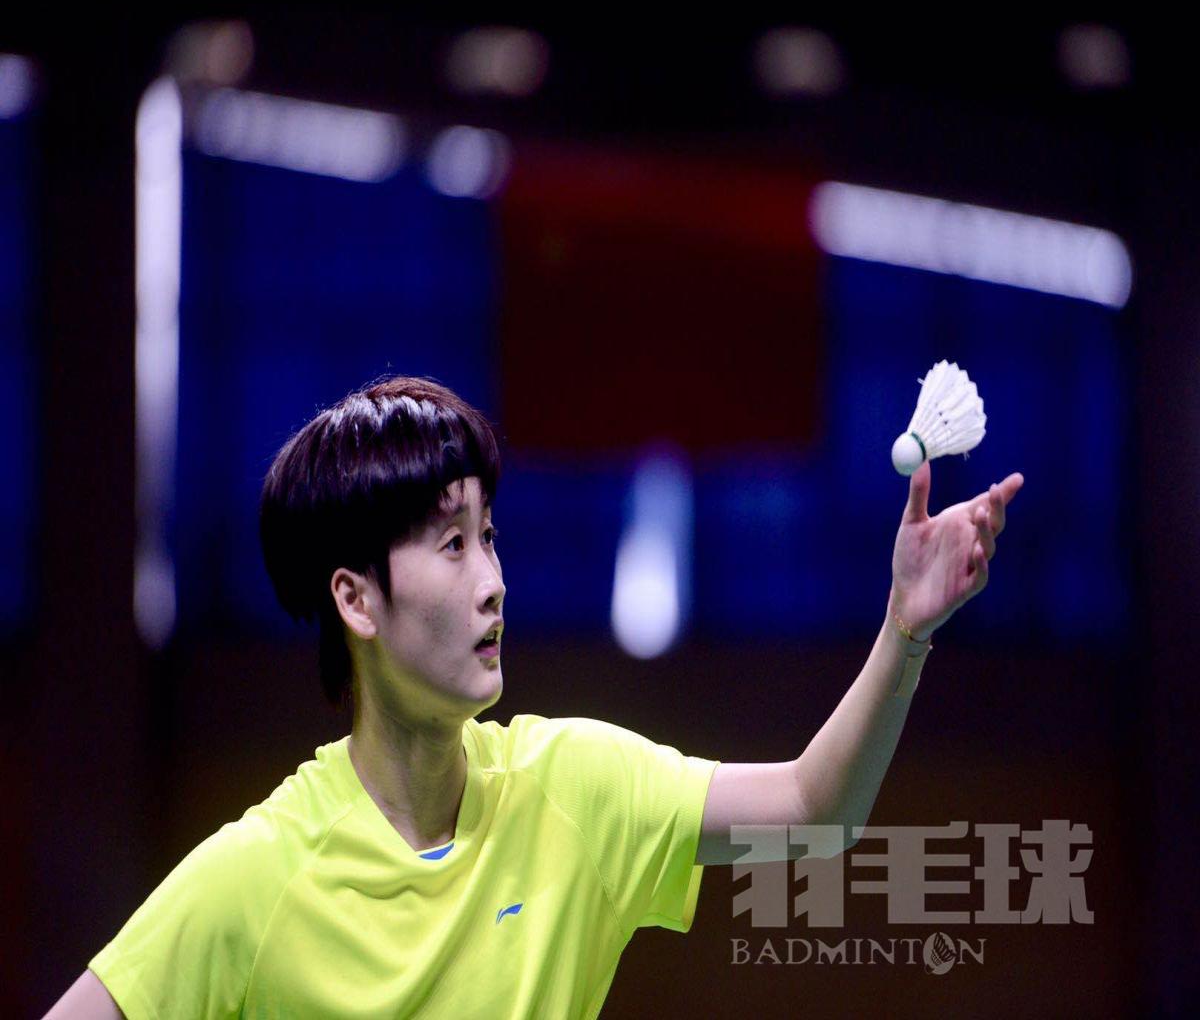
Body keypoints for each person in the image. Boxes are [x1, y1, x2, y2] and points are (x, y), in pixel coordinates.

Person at [46, 374, 1023, 1019]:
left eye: (490, 537)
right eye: (452, 544)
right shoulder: (255, 881)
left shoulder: (573, 788)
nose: (493, 582)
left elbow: (816, 809)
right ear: (356, 599)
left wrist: (905, 628)